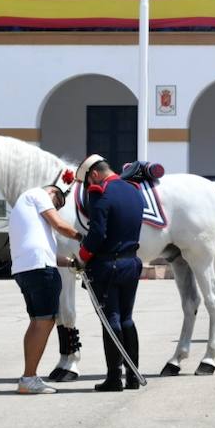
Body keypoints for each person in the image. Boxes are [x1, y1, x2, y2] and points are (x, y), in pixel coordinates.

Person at [74, 154, 143, 391]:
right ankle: (133, 376)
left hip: (107, 267)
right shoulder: (133, 189)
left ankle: (114, 377)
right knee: (127, 318)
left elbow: (97, 235)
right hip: (131, 263)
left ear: (93, 175)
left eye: (87, 183)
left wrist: (81, 258)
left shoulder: (100, 193)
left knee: (111, 319)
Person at [9, 182, 80, 394]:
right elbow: (60, 225)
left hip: (26, 269)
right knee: (44, 321)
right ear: (52, 192)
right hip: (40, 270)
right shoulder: (39, 194)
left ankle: (28, 376)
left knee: (37, 321)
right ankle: (28, 378)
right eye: (56, 203)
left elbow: (43, 250)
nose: (55, 209)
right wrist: (84, 238)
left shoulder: (24, 210)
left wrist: (69, 262)